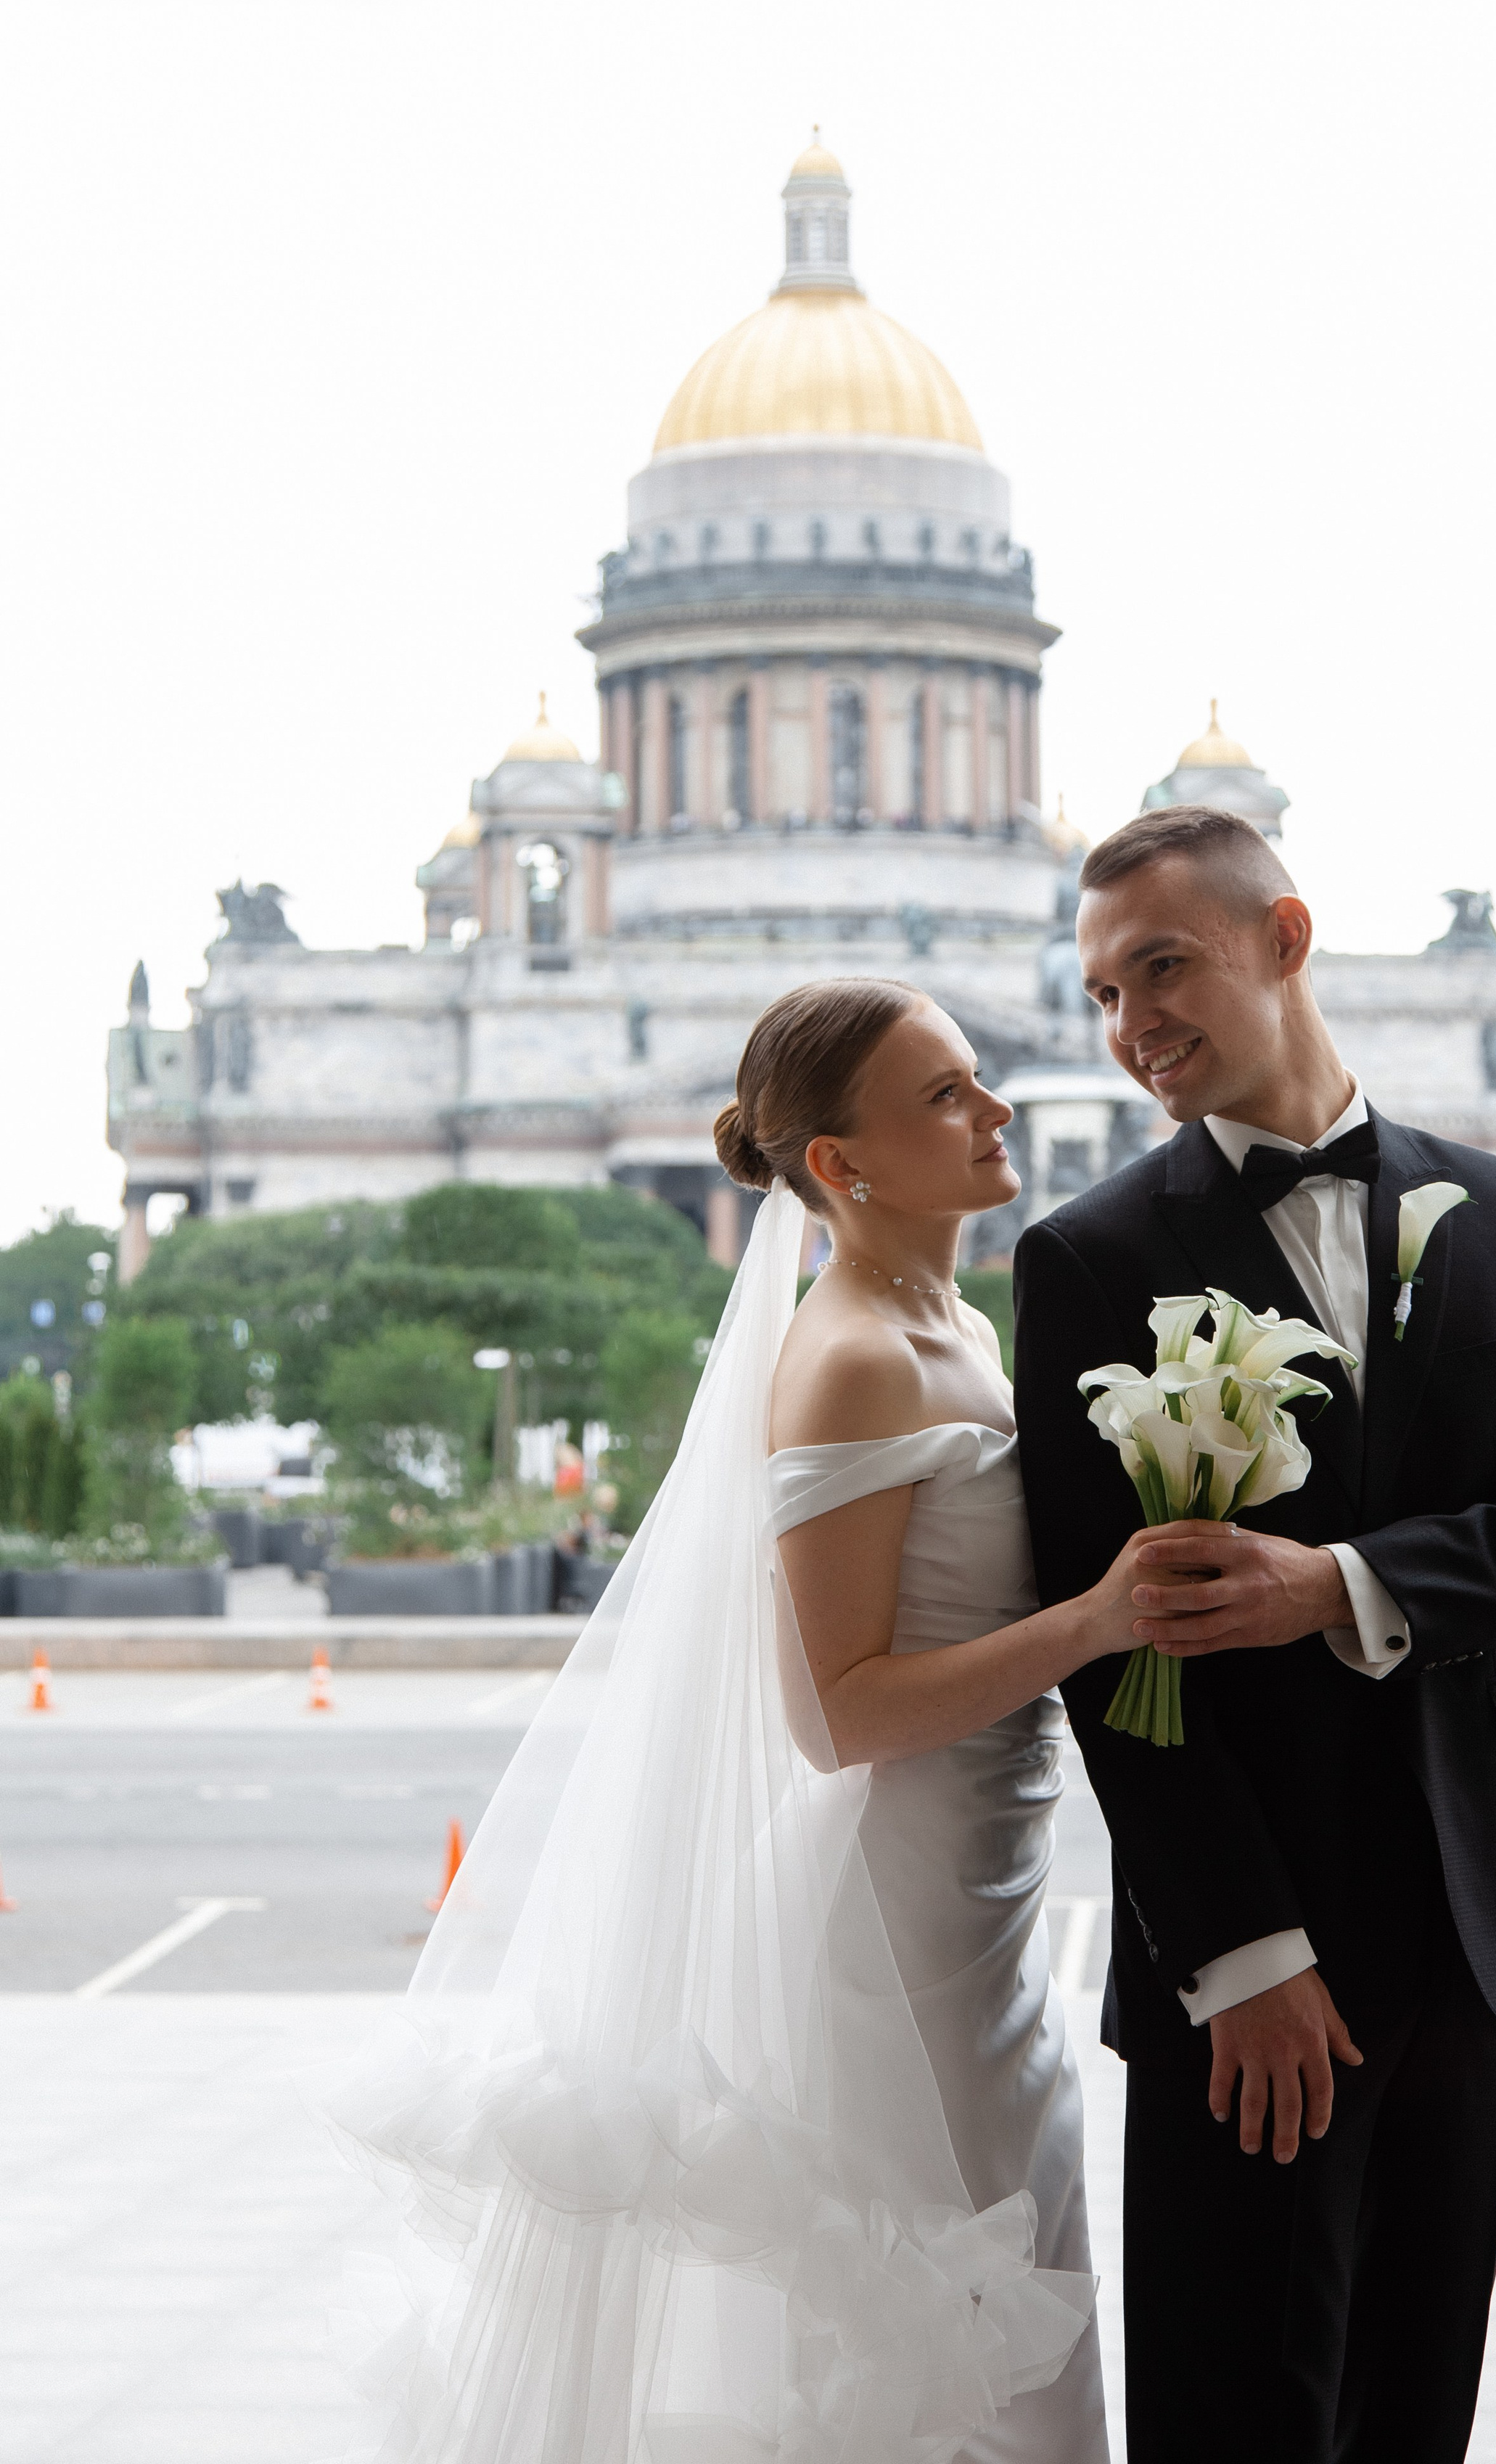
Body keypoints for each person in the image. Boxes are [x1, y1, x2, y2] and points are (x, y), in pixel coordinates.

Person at [326, 974, 1209, 2464]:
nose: (994, 1111)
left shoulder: (957, 1326)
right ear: (838, 1166)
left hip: (979, 1909)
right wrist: (1100, 1619)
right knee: (935, 2344)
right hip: (894, 1932)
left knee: (1007, 2308)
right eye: (943, 1094)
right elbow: (837, 1711)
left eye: (974, 1077)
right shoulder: (855, 1354)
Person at [1012, 804, 1496, 2464]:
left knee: (1412, 2405)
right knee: (1234, 2413)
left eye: (1162, 966)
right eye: (1098, 992)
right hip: (1252, 1958)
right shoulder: (1085, 1259)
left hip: (1478, 1925)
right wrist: (1237, 1954)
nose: (1128, 1023)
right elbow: (1102, 1652)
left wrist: (1336, 1584)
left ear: (1283, 942)